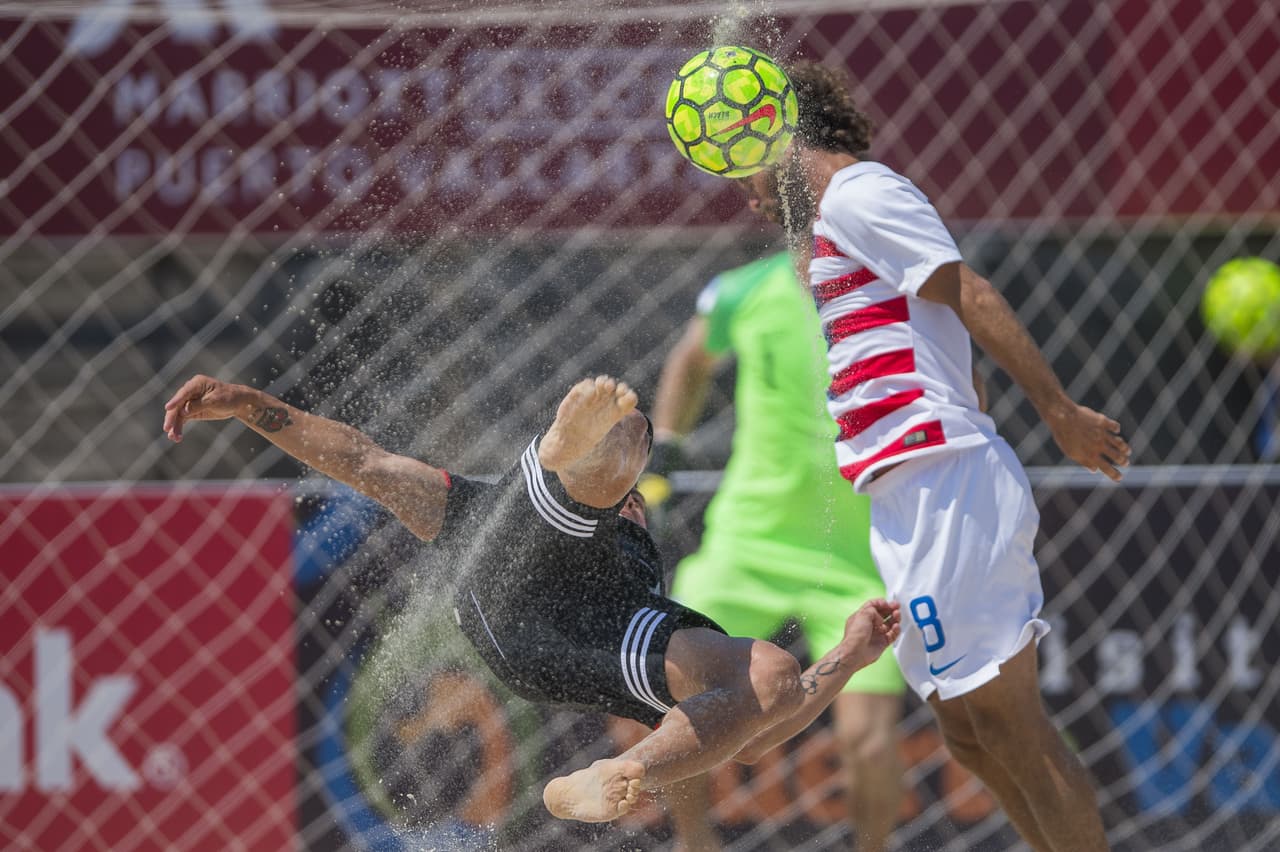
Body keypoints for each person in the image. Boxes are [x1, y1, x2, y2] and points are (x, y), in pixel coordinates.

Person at [162, 372, 901, 824]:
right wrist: (248, 404)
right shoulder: (472, 509)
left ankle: (617, 777)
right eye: (637, 491)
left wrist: (848, 655)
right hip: (503, 585)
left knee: (764, 676)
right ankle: (559, 452)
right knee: (606, 459)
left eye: (638, 493)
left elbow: (762, 729)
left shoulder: (635, 575)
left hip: (571, 646)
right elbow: (360, 459)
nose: (639, 504)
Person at [741, 62, 1132, 852]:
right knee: (968, 736)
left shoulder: (861, 194)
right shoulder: (831, 227)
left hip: (945, 482)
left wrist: (1058, 412)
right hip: (911, 498)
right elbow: (944, 338)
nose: (741, 190)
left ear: (780, 134)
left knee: (1013, 727)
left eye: (737, 159)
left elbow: (973, 295)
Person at [642, 246, 906, 852]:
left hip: (860, 553)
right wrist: (669, 447)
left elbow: (960, 380)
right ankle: (695, 843)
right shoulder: (742, 288)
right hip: (748, 541)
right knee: (672, 691)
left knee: (868, 743)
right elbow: (691, 359)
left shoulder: (894, 289)